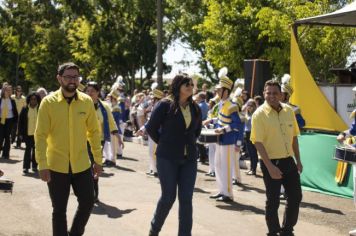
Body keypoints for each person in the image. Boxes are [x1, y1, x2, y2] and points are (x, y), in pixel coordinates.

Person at [35, 62, 102, 236]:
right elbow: (40, 135)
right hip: (56, 166)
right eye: (68, 77)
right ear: (59, 78)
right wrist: (42, 164)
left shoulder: (86, 102)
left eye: (75, 77)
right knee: (59, 210)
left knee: (88, 202)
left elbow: (94, 132)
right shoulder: (48, 103)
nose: (72, 81)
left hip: (82, 165)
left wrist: (98, 160)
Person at [145, 74, 202, 236]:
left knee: (186, 200)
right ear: (178, 86)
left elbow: (196, 132)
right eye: (187, 84)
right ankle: (154, 230)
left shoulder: (195, 108)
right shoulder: (165, 105)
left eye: (192, 84)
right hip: (167, 158)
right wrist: (164, 143)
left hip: (189, 160)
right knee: (168, 197)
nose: (190, 87)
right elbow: (151, 128)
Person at [251, 80, 302, 236]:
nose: (271, 96)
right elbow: (257, 142)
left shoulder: (289, 111)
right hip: (270, 162)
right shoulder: (258, 115)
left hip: (288, 161)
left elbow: (294, 137)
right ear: (264, 94)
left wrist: (298, 160)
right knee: (273, 200)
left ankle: (287, 230)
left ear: (281, 94)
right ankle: (273, 231)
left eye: (275, 93)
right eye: (268, 93)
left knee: (295, 196)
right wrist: (269, 166)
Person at [204, 67, 244, 202]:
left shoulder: (232, 105)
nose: (217, 91)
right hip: (219, 139)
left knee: (226, 167)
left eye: (219, 90)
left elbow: (237, 124)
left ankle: (228, 194)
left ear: (226, 91)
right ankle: (222, 190)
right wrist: (211, 120)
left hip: (228, 140)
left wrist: (223, 130)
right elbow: (222, 119)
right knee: (218, 165)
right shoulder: (221, 104)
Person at [18, 92, 41, 174]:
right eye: (31, 99)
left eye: (35, 99)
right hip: (27, 133)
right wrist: (20, 133)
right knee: (28, 150)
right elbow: (20, 122)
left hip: (38, 134)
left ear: (38, 100)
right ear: (29, 100)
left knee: (36, 150)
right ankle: (26, 167)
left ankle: (35, 166)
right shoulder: (24, 109)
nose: (33, 101)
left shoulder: (40, 108)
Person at [0, 84, 18, 159]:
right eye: (6, 90)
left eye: (9, 90)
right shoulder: (0, 100)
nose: (7, 92)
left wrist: (15, 123)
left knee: (7, 137)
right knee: (0, 137)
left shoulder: (12, 101)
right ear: (3, 91)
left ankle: (6, 154)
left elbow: (15, 112)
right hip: (1, 120)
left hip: (10, 120)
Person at [242, 99, 258, 176]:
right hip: (246, 134)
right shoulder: (247, 114)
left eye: (251, 105)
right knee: (250, 153)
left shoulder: (256, 114)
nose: (249, 107)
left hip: (253, 134)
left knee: (253, 153)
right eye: (248, 105)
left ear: (254, 106)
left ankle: (254, 169)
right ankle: (251, 169)